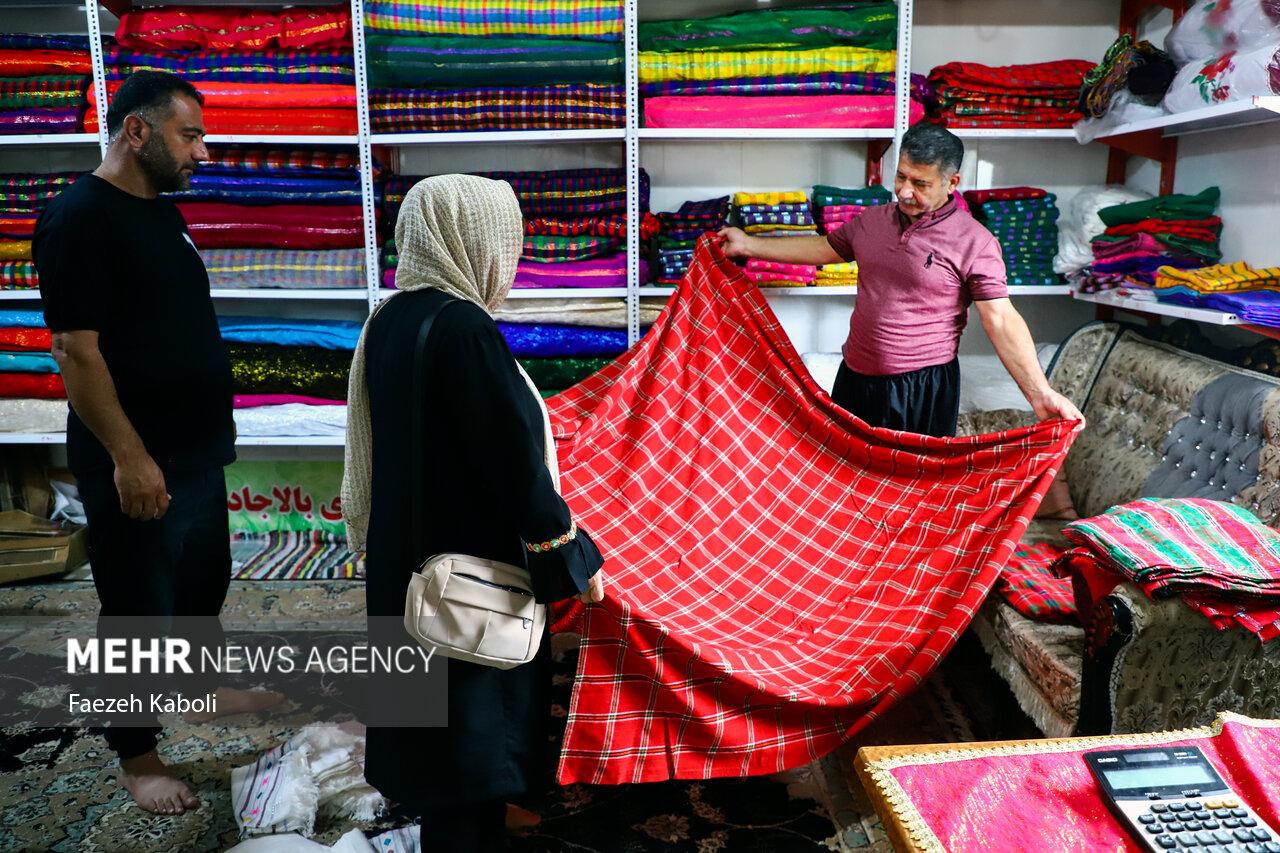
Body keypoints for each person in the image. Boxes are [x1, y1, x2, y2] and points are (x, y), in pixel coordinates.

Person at [33, 70, 281, 816]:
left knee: (203, 582)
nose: (201, 151)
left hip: (197, 446)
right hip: (139, 455)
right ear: (136, 132)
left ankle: (198, 684)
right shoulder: (81, 217)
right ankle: (137, 755)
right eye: (188, 134)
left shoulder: (159, 212)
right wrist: (129, 457)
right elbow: (77, 350)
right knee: (138, 605)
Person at [341, 174, 606, 851]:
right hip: (466, 567)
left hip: (408, 553)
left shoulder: (392, 316)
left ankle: (463, 819)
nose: (507, 259)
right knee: (471, 725)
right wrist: (566, 550)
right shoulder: (464, 328)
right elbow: (509, 460)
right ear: (471, 241)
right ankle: (466, 832)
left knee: (430, 722)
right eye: (503, 241)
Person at [719, 121, 1084, 437]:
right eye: (901, 176)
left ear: (951, 182)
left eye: (921, 183)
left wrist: (1040, 393)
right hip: (855, 376)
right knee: (849, 481)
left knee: (910, 496)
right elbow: (823, 249)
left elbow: (1001, 319)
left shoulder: (974, 241)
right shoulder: (872, 221)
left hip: (921, 388)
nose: (905, 192)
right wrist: (749, 244)